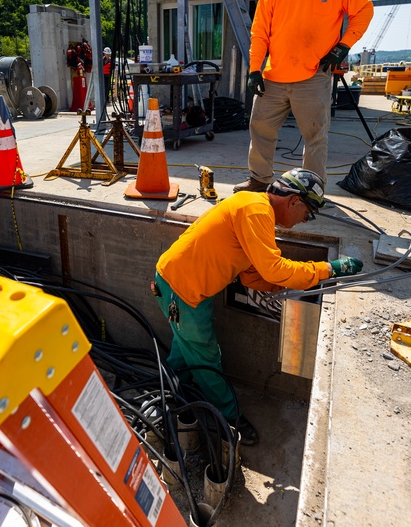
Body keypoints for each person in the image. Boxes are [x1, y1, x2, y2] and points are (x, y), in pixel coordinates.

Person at [152, 168, 363, 444]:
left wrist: (296, 282)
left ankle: (171, 386)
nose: (304, 222)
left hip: (184, 286)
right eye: (307, 214)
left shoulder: (256, 210)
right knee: (206, 357)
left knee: (186, 345)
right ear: (293, 201)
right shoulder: (256, 211)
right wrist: (326, 269)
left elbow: (254, 275)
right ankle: (229, 416)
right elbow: (274, 269)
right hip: (182, 290)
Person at [235, 0, 374, 193]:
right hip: (274, 77)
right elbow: (259, 32)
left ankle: (310, 190)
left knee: (314, 136)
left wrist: (343, 46)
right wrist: (254, 69)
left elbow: (363, 11)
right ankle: (259, 180)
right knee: (260, 129)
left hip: (313, 76)